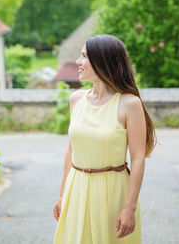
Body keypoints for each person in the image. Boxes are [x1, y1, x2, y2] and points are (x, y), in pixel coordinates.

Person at [52, 34, 157, 244]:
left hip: (112, 193)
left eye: (83, 56)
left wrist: (130, 207)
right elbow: (71, 151)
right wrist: (62, 194)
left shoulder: (129, 104)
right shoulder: (76, 100)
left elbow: (137, 158)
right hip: (77, 188)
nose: (77, 62)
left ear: (102, 61)